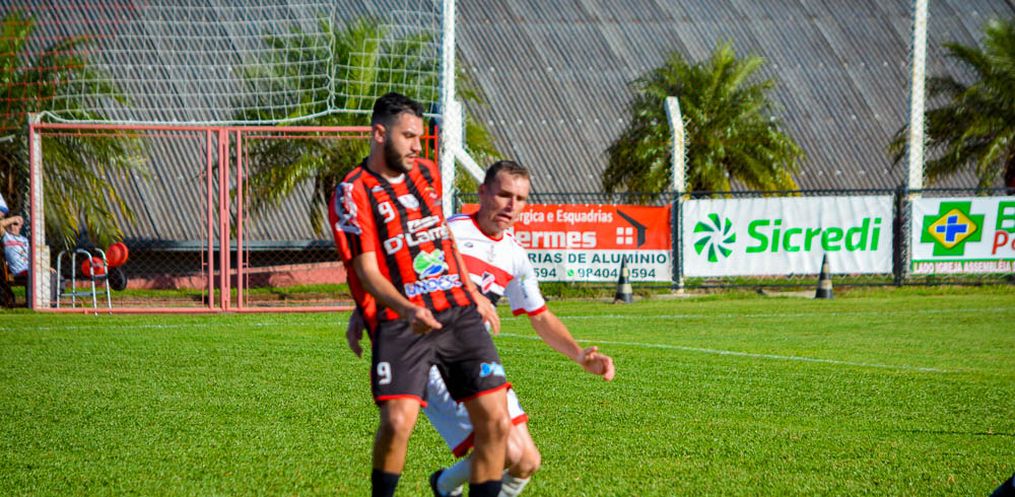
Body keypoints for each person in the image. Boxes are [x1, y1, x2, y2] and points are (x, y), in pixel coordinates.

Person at [348, 160, 617, 497]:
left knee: (527, 461)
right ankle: (443, 486)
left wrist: (579, 355)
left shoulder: (515, 255)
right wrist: (361, 310)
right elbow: (395, 268)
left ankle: (444, 484)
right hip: (435, 359)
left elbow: (540, 316)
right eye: (504, 194)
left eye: (520, 199)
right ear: (483, 192)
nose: (511, 205)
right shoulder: (449, 231)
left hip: (475, 358)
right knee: (506, 450)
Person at [328, 92, 511, 497]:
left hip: (457, 312)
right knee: (397, 422)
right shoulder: (352, 192)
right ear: (379, 134)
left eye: (420, 137)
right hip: (401, 322)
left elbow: (442, 238)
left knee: (496, 423)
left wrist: (473, 293)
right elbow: (367, 270)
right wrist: (404, 308)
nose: (416, 146)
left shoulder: (426, 173)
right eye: (408, 137)